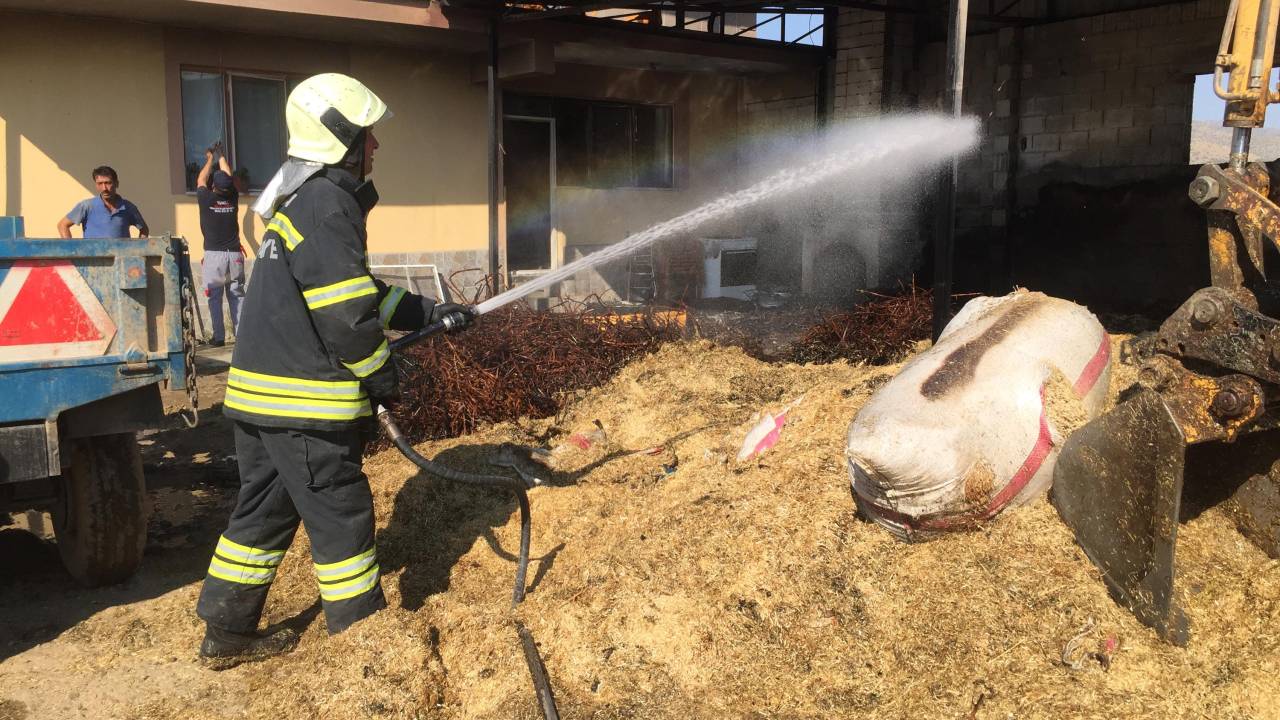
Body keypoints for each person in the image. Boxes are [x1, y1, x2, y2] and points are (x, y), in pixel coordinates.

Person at [194, 73, 473, 669]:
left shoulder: (304, 200)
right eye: (368, 134)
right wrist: (383, 377)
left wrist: (429, 312)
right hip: (304, 405)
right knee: (342, 516)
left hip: (261, 400)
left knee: (263, 513)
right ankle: (364, 648)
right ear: (341, 136)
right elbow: (347, 317)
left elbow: (353, 291)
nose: (376, 145)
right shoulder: (329, 204)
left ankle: (226, 632)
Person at [196, 143, 245, 347]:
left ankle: (218, 338)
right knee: (237, 295)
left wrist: (210, 158)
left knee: (214, 297)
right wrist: (221, 155)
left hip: (214, 256)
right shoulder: (233, 197)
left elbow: (201, 179)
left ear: (214, 186)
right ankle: (242, 336)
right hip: (234, 255)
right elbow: (228, 175)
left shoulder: (206, 198)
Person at [57, 166, 149, 239]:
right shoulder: (87, 206)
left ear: (116, 183)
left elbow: (144, 230)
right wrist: (71, 250)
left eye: (108, 183)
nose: (104, 188)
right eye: (100, 183)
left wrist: (138, 250)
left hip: (120, 257)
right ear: (96, 185)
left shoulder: (128, 207)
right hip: (92, 257)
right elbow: (62, 225)